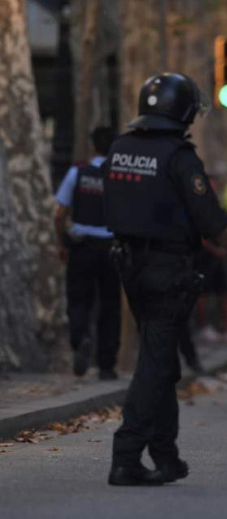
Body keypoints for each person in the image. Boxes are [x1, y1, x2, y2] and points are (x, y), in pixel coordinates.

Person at [103, 72, 227, 486]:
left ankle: (166, 455)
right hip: (167, 270)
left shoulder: (120, 148)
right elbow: (212, 221)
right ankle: (126, 454)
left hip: (128, 265)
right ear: (183, 112)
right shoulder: (179, 156)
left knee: (163, 359)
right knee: (155, 362)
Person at [54, 126, 121, 380]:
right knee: (110, 306)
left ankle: (80, 337)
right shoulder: (119, 176)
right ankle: (106, 365)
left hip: (82, 247)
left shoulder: (77, 172)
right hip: (111, 248)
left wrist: (61, 243)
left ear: (93, 145)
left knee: (79, 301)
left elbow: (60, 213)